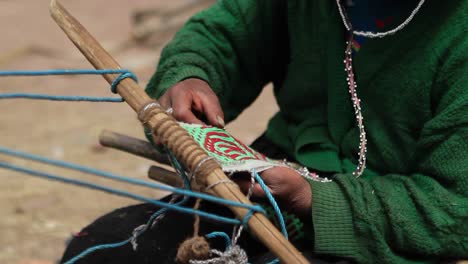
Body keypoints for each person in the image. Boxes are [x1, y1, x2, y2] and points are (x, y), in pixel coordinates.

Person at [62, 0, 468, 263]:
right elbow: (226, 32)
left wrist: (310, 197)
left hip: (391, 223)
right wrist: (192, 75)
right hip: (268, 176)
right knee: (97, 253)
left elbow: (455, 210)